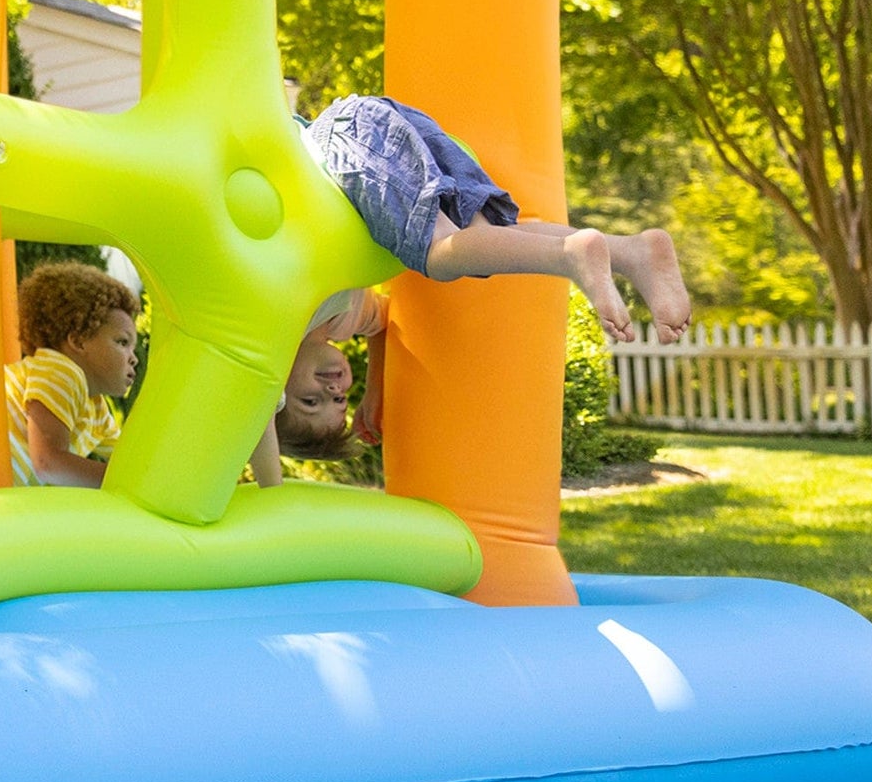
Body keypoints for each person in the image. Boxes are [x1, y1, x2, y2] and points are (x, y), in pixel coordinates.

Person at [303, 94, 690, 347]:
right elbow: (380, 322)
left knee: (438, 252)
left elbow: (266, 392)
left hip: (343, 137)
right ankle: (633, 252)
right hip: (373, 120)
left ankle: (569, 253)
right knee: (491, 238)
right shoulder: (330, 316)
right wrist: (374, 393)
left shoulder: (293, 325)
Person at [5, 261, 140, 487]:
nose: (133, 358)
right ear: (78, 341)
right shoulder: (61, 371)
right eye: (122, 342)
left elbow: (134, 461)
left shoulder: (97, 410)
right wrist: (133, 483)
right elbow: (49, 463)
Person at [248, 287, 385, 488]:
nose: (333, 390)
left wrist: (272, 489)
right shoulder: (346, 320)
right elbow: (387, 322)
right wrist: (375, 391)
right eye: (340, 400)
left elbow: (258, 418)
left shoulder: (272, 335)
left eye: (310, 401)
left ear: (276, 391)